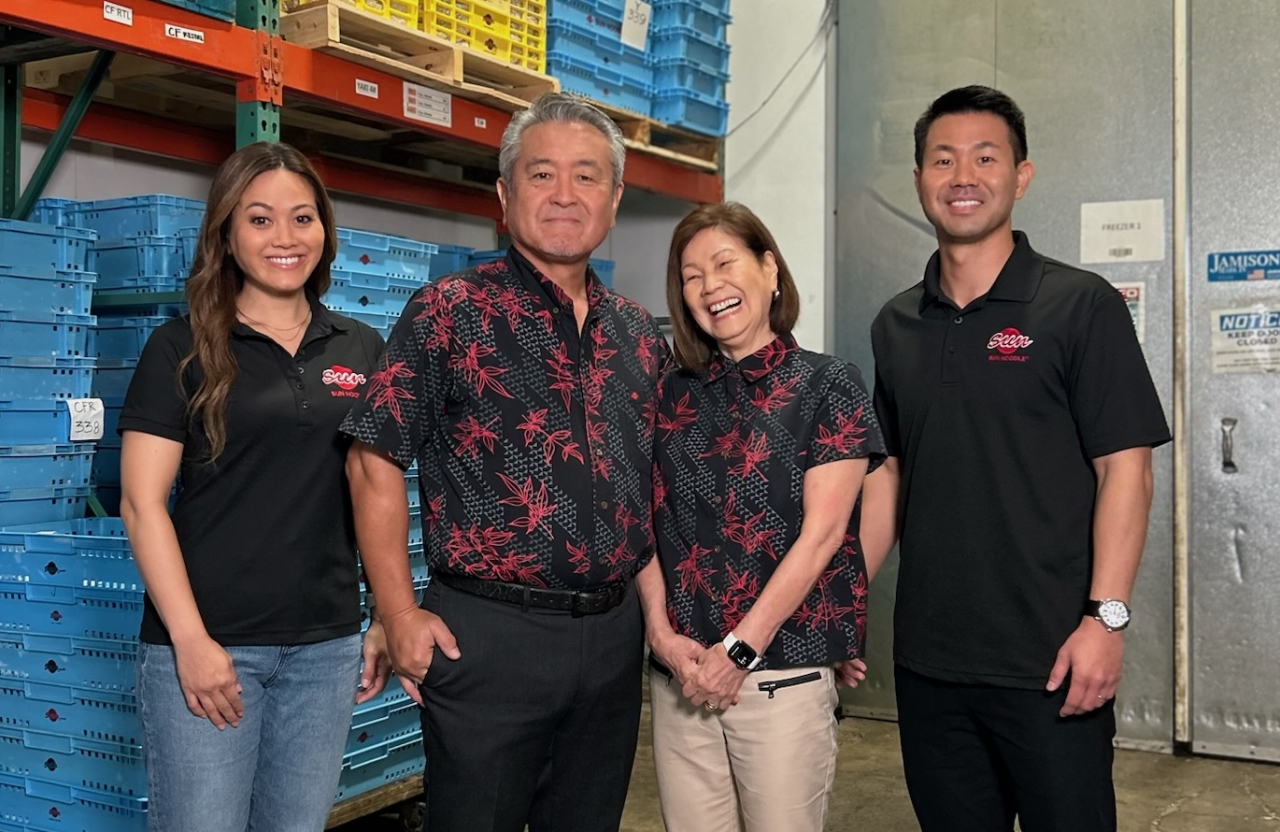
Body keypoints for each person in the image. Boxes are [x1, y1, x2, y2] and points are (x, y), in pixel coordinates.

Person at [340, 92, 670, 832]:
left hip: (610, 641)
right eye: (541, 173)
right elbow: (372, 459)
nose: (563, 195)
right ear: (503, 193)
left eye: (587, 177)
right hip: (489, 636)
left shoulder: (638, 335)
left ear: (615, 198)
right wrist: (395, 614)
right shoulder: (448, 312)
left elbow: (645, 489)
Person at [863, 85, 1171, 832]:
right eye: (943, 158)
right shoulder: (896, 324)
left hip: (1053, 660)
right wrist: (843, 603)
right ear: (918, 181)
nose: (962, 175)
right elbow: (891, 474)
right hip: (929, 662)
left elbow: (1125, 469)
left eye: (984, 157)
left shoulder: (1080, 306)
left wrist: (1107, 619)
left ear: (1021, 176)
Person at [118, 142, 392, 832]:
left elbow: (376, 492)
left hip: (325, 651)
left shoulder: (359, 348)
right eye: (261, 219)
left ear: (324, 231)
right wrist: (190, 641)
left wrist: (385, 613)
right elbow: (140, 503)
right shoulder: (180, 347)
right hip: (214, 643)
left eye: (303, 218)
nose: (285, 238)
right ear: (228, 236)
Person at [636, 202, 884, 832]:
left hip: (779, 676)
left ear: (769, 268)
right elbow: (641, 519)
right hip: (682, 678)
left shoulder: (828, 384)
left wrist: (739, 651)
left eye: (725, 263)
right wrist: (661, 637)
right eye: (691, 277)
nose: (710, 286)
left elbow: (824, 534)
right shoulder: (668, 391)